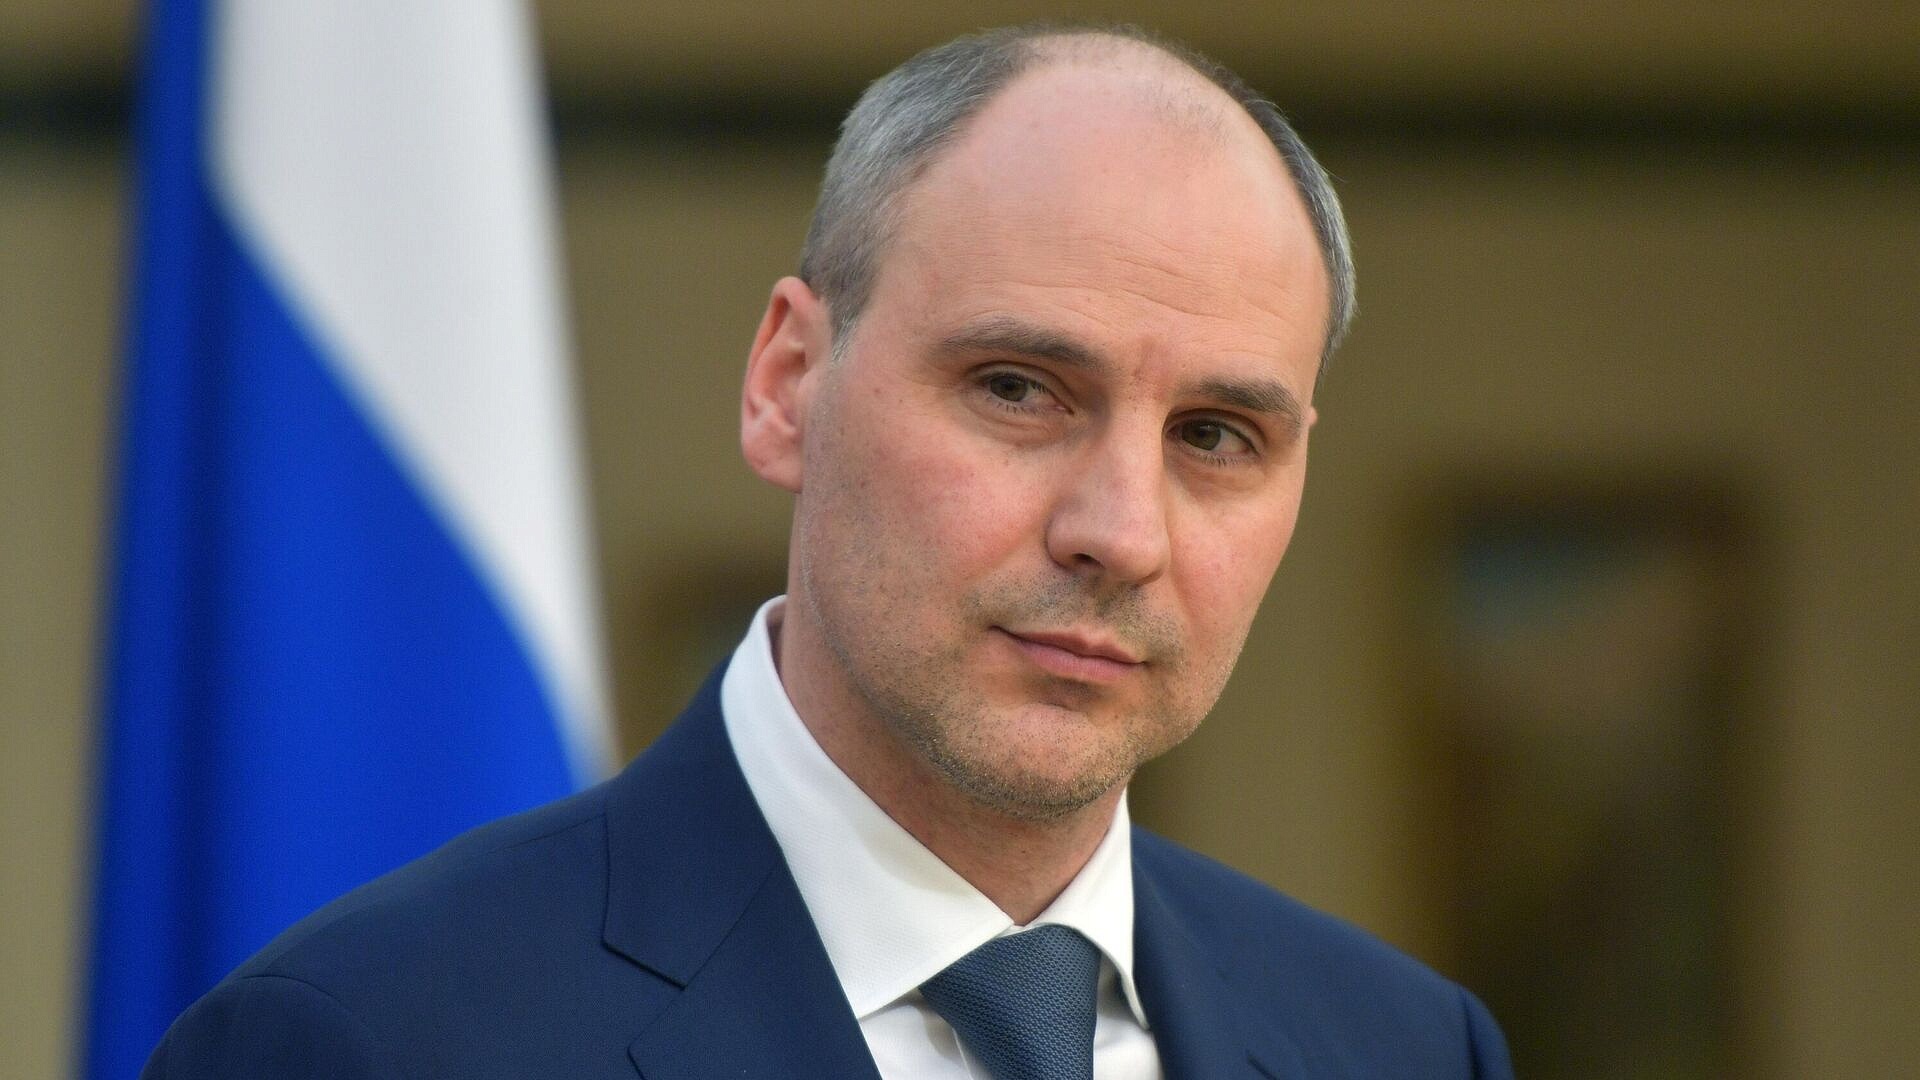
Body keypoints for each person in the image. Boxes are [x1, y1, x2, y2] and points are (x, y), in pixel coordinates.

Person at [144, 24, 1512, 1080]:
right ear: (788, 382)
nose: (1120, 533)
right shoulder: (370, 1041)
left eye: (1215, 435)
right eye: (1019, 390)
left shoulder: (1405, 1048)